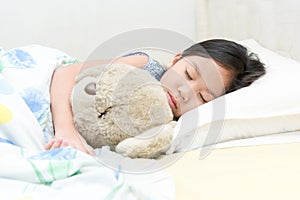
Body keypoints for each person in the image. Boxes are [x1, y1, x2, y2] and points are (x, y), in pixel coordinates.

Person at [44, 39, 266, 154]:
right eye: (188, 74)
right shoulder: (144, 65)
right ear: (176, 60)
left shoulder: (175, 127)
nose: (184, 92)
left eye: (203, 97)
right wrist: (66, 130)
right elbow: (65, 73)